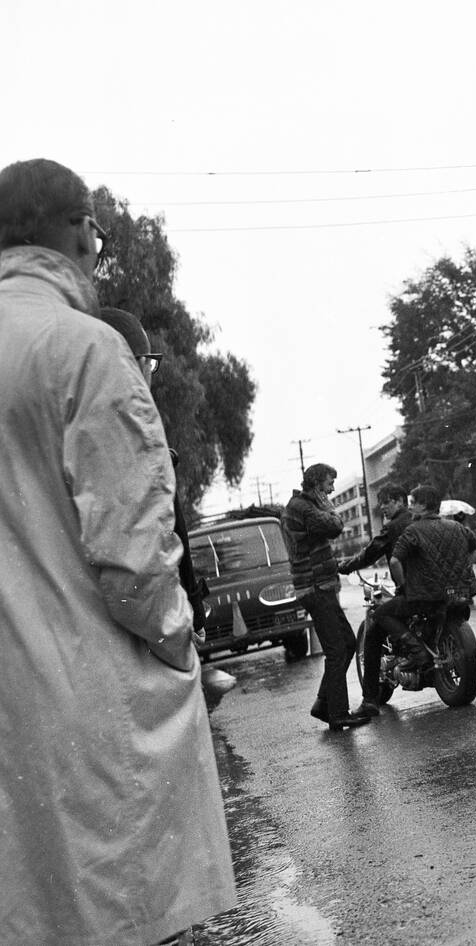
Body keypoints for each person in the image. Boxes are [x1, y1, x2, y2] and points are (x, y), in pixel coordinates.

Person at [0, 159, 235, 944]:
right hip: (87, 707)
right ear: (75, 231)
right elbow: (135, 564)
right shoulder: (84, 348)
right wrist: (180, 650)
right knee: (121, 913)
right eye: (96, 233)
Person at [97, 307, 237, 711]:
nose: (152, 375)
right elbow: (145, 560)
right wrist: (180, 633)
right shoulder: (133, 441)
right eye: (150, 363)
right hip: (142, 641)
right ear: (133, 363)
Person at [283, 463, 370, 731]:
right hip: (316, 588)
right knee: (336, 649)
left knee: (348, 643)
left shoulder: (304, 505)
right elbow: (335, 525)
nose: (332, 489)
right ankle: (338, 713)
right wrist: (328, 507)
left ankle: (324, 703)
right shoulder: (303, 508)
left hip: (321, 587)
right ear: (317, 483)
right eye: (329, 483)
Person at [370, 484, 476, 671]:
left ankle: (417, 651)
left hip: (426, 597)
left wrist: (403, 586)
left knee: (380, 613)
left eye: (413, 503)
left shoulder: (413, 530)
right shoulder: (457, 527)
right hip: (459, 595)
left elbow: (395, 561)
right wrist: (462, 568)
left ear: (424, 505)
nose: (410, 507)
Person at [336, 483, 412, 716]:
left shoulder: (394, 527)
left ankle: (369, 700)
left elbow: (370, 553)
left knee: (375, 627)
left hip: (412, 592)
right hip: (436, 590)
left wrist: (346, 566)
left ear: (400, 501)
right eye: (381, 503)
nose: (382, 508)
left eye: (387, 502)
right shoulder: (420, 520)